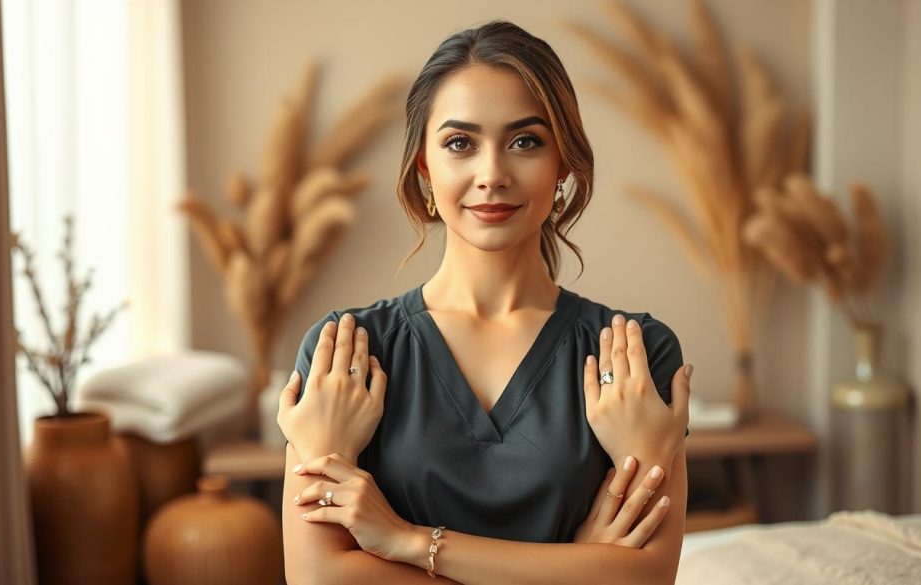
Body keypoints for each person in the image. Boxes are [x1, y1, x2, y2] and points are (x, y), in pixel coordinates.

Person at [277, 20, 692, 585]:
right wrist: (576, 567)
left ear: (563, 162)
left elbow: (644, 579)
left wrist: (407, 541)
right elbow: (320, 578)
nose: (492, 174)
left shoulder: (636, 357)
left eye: (525, 141)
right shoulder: (347, 352)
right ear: (424, 166)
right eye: (459, 144)